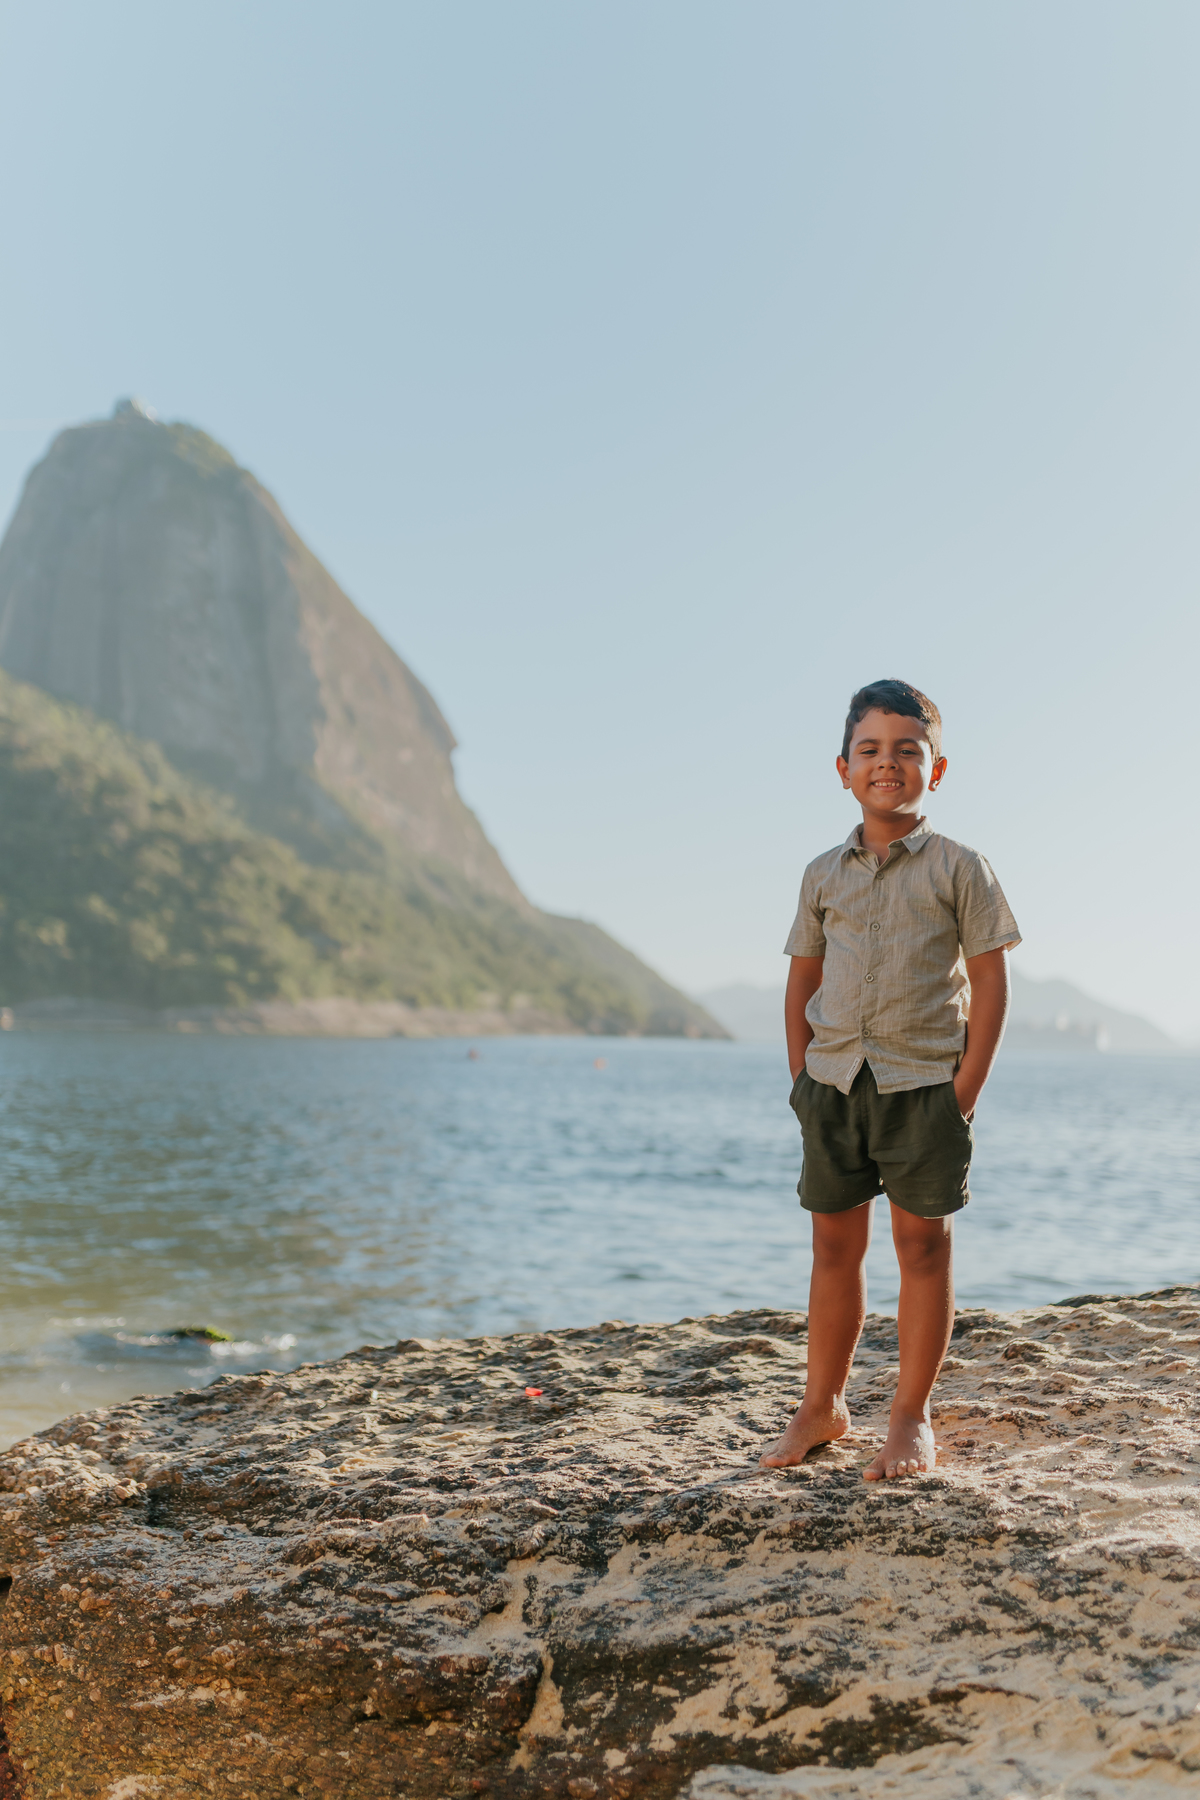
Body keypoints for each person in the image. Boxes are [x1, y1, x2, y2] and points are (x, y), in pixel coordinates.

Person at [761, 680, 1020, 1481]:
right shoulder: (821, 874)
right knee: (833, 1248)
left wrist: (964, 1091)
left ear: (935, 771)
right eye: (871, 751)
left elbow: (992, 984)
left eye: (908, 750)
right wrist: (803, 1075)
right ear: (843, 769)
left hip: (924, 1086)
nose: (888, 764)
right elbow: (801, 983)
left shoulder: (961, 868)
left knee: (923, 1249)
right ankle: (823, 1405)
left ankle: (909, 1414)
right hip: (833, 1085)